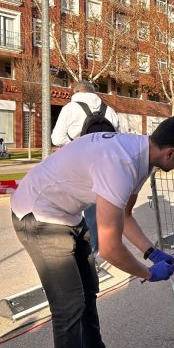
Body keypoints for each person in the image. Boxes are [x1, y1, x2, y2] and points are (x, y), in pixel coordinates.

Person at [10, 116, 174, 348]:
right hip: (39, 216)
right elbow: (110, 248)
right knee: (69, 306)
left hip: (69, 215)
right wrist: (148, 273)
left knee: (89, 290)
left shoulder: (145, 157)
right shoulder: (121, 164)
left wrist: (152, 252)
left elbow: (125, 216)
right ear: (170, 153)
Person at [52, 81, 120, 263]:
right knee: (97, 211)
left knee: (71, 209)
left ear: (75, 91)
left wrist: (75, 146)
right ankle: (96, 252)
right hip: (105, 167)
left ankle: (77, 253)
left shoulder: (70, 108)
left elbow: (57, 138)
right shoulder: (110, 110)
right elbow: (117, 137)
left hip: (78, 165)